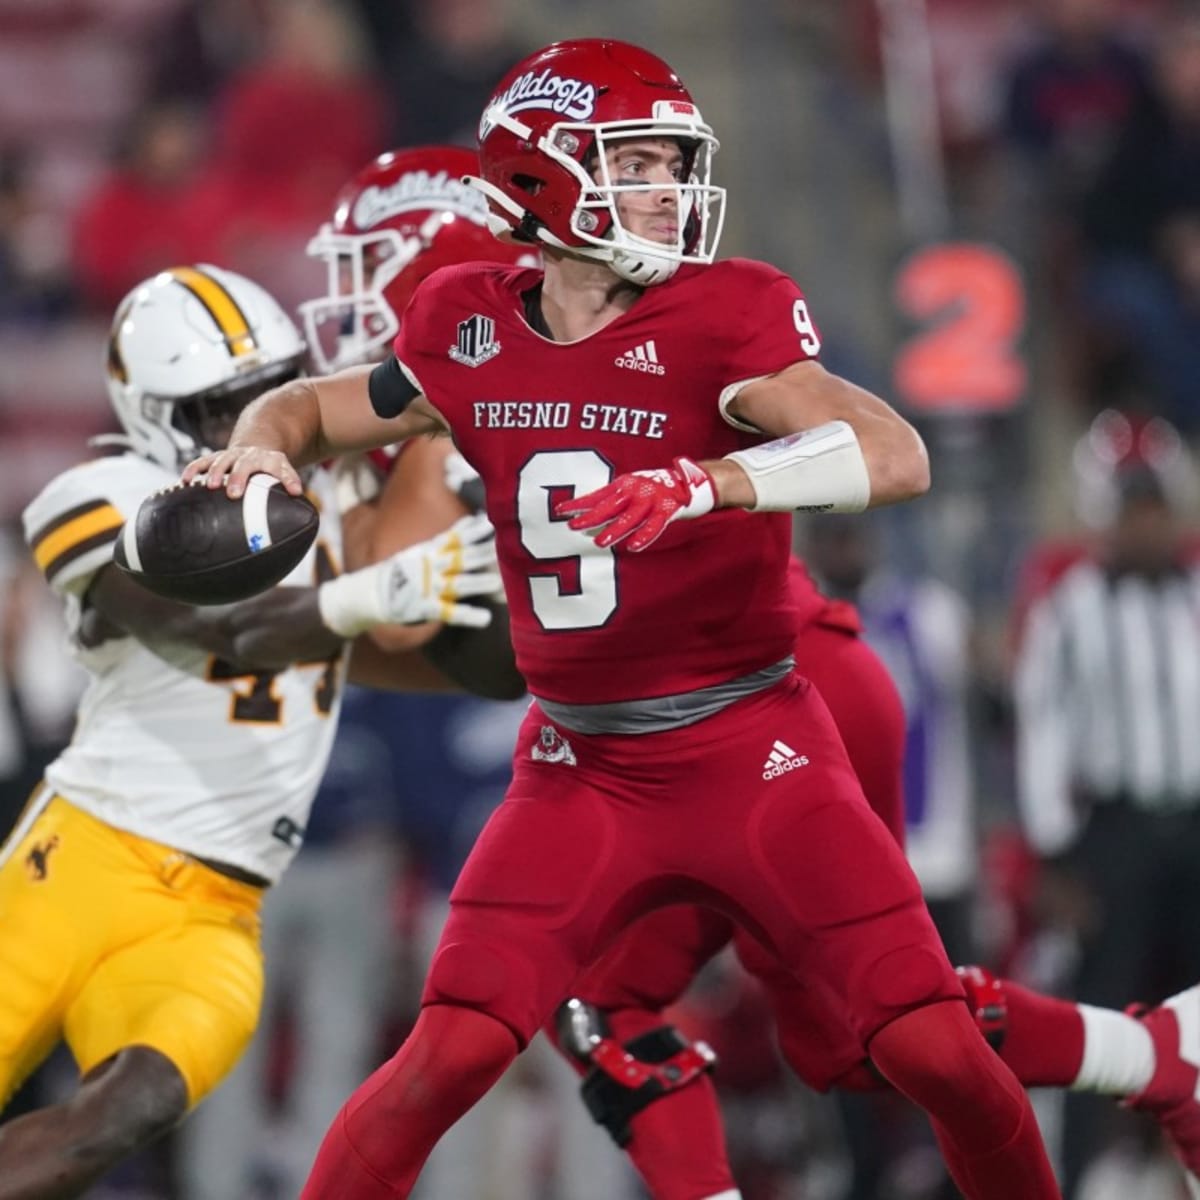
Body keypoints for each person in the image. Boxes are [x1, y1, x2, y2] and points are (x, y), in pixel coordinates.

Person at [189, 38, 1061, 1199]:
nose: (672, 187)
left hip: (756, 745)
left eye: (671, 160)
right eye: (639, 161)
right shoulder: (466, 322)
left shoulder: (727, 311)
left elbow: (895, 454)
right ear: (547, 182)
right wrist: (257, 458)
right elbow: (306, 408)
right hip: (581, 765)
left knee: (926, 1047)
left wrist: (712, 482)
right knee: (445, 1053)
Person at [0, 263, 502, 1200]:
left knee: (126, 1113)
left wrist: (508, 583)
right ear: (152, 413)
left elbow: (455, 662)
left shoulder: (332, 520)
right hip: (87, 856)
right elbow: (206, 623)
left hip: (222, 909)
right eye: (220, 411)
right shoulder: (104, 492)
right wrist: (366, 594)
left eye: (264, 401)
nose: (246, 437)